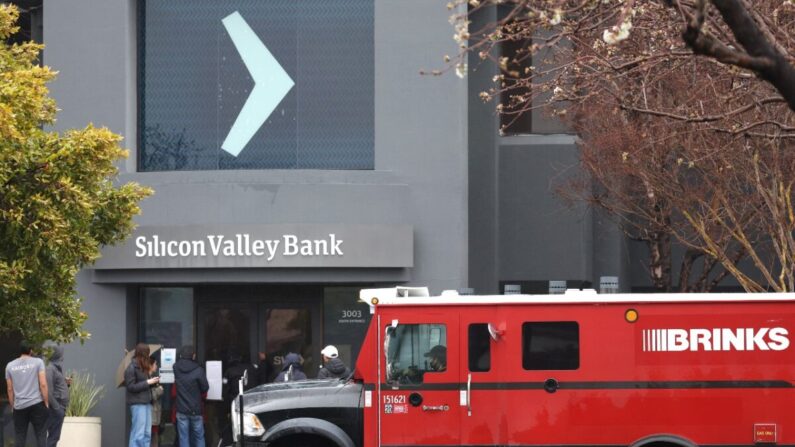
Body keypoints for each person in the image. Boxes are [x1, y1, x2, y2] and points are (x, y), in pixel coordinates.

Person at [5, 340, 49, 447]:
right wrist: (46, 402)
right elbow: (43, 384)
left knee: (20, 436)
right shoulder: (38, 362)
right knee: (41, 435)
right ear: (31, 350)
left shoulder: (9, 366)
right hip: (37, 404)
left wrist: (12, 405)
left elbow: (10, 389)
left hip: (19, 407)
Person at [173, 345, 208, 447]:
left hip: (181, 409)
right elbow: (205, 388)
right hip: (196, 409)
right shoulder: (199, 370)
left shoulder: (176, 368)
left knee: (183, 438)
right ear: (193, 356)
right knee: (199, 437)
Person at [125, 343, 160, 447]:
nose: (148, 356)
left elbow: (144, 386)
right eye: (147, 353)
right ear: (143, 354)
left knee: (147, 434)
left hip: (146, 403)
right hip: (137, 403)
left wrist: (153, 383)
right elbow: (131, 387)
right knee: (138, 434)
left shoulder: (144, 369)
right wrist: (147, 383)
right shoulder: (131, 368)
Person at [45, 346, 70, 447]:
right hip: (55, 409)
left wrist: (66, 383)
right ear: (57, 354)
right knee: (53, 437)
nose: (63, 356)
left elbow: (56, 386)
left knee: (55, 437)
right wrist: (57, 408)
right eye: (61, 353)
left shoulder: (56, 368)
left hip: (59, 408)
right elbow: (48, 391)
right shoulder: (50, 369)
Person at [149, 356, 164, 447]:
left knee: (154, 437)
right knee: (152, 438)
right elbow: (152, 395)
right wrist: (159, 389)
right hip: (151, 414)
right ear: (150, 365)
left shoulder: (151, 378)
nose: (156, 366)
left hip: (154, 414)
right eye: (155, 364)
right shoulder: (147, 379)